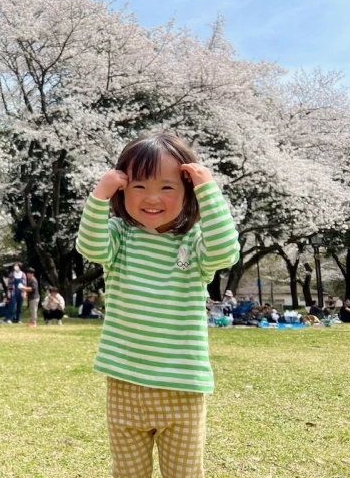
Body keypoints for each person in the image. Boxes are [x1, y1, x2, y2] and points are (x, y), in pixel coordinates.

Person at [75, 133, 240, 478]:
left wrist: (209, 191)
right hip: (125, 382)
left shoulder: (195, 242)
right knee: (128, 472)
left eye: (167, 188)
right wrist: (99, 195)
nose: (152, 198)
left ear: (186, 193)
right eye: (138, 187)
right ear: (123, 189)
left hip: (182, 385)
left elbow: (226, 250)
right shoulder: (121, 236)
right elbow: (90, 246)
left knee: (183, 473)